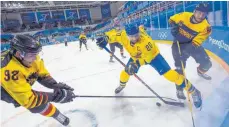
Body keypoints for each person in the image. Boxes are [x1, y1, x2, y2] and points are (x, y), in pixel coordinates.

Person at [96, 24, 202, 109]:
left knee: (170, 75)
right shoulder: (123, 35)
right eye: (131, 36)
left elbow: (148, 58)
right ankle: (122, 85)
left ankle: (193, 90)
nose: (134, 38)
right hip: (136, 57)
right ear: (127, 35)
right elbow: (113, 34)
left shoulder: (146, 42)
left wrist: (135, 64)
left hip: (153, 56)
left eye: (136, 35)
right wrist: (105, 38)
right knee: (125, 73)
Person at [1, 35, 76, 126]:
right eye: (31, 55)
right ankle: (56, 115)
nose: (35, 58)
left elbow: (41, 74)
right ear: (18, 54)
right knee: (36, 106)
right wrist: (56, 96)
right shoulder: (9, 71)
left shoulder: (32, 57)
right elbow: (29, 100)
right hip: (4, 88)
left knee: (38, 101)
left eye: (36, 53)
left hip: (15, 81)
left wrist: (54, 85)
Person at [169, 3, 212, 100]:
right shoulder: (184, 15)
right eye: (199, 13)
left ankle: (200, 71)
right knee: (180, 68)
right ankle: (179, 88)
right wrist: (173, 26)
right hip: (178, 45)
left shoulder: (206, 27)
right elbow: (171, 19)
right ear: (194, 12)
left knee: (207, 64)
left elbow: (197, 41)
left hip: (193, 45)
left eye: (204, 14)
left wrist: (187, 51)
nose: (201, 16)